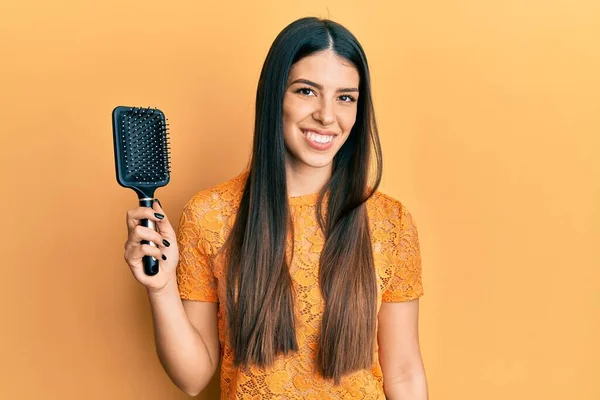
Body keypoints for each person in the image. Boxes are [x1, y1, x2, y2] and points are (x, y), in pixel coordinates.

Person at [123, 16, 428, 399]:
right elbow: (193, 377)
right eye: (306, 91)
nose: (327, 115)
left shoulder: (390, 222)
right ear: (274, 96)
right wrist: (161, 288)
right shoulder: (210, 216)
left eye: (345, 97)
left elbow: (403, 372)